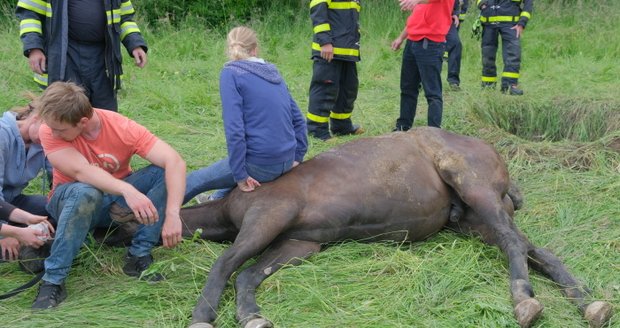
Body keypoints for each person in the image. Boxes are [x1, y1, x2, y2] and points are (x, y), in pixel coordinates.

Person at [32, 81, 186, 310]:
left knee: (161, 172)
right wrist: (127, 189)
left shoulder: (121, 127)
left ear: (83, 122)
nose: (52, 132)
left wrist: (173, 214)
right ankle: (53, 280)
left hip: (110, 201)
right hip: (69, 199)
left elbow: (175, 161)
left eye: (60, 130)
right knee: (86, 190)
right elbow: (80, 171)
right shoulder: (49, 128)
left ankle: (139, 255)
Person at [184, 26, 307, 204]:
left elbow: (234, 129)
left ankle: (152, 220)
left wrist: (241, 176)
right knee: (231, 167)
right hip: (287, 160)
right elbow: (298, 119)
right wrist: (298, 156)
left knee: (193, 180)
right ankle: (213, 200)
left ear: (229, 48)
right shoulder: (273, 71)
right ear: (255, 48)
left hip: (260, 164)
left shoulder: (231, 73)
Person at [16, 0, 149, 111]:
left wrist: (135, 44)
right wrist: (34, 48)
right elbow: (29, 14)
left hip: (102, 59)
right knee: (65, 112)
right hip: (65, 56)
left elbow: (125, 18)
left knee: (105, 114)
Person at [0, 96, 54, 262]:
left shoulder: (43, 142)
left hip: (11, 202)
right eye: (48, 130)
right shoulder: (2, 135)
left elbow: (59, 174)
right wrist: (6, 234)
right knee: (6, 250)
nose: (50, 136)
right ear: (36, 118)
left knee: (51, 208)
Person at [391, 0, 454, 131]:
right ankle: (403, 127)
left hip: (431, 43)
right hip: (412, 41)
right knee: (407, 88)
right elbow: (415, 18)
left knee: (432, 92)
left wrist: (415, 0)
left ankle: (434, 132)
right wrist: (401, 38)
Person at [306, 0, 364, 141]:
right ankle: (317, 130)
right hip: (328, 50)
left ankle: (342, 126)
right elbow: (317, 9)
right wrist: (325, 41)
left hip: (348, 51)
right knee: (325, 90)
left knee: (348, 90)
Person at [478, 0, 533, 95]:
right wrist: (481, 3)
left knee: (513, 55)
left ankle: (509, 86)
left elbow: (528, 3)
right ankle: (488, 87)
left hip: (511, 25)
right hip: (488, 24)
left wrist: (522, 23)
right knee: (487, 56)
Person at [444, 0, 468, 90]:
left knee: (456, 44)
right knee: (428, 47)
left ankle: (453, 82)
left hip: (448, 18)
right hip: (430, 17)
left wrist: (454, 13)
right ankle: (420, 81)